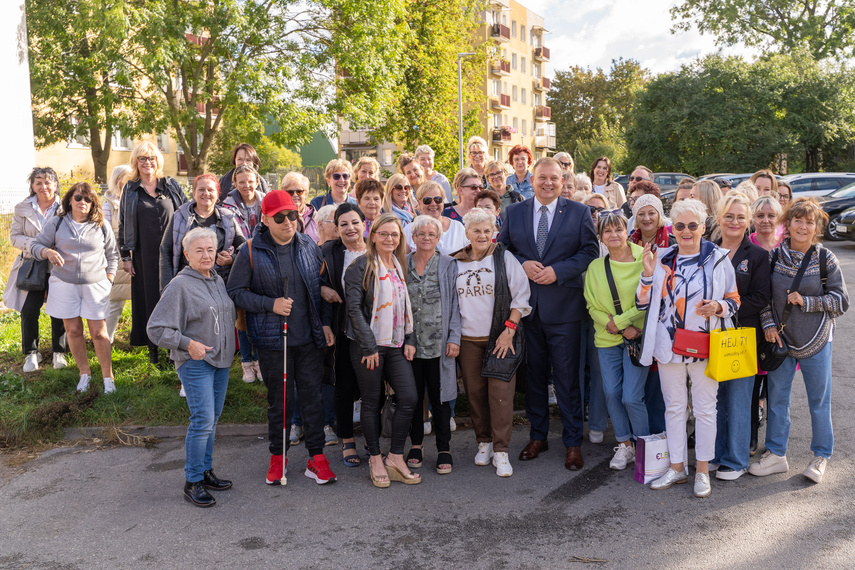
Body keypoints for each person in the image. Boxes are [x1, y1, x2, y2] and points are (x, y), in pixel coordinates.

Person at [227, 190, 337, 486]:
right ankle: (279, 457)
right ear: (265, 219)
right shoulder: (250, 250)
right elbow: (235, 292)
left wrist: (325, 324)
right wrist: (270, 304)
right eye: (280, 217)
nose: (288, 222)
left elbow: (321, 287)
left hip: (309, 338)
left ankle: (317, 457)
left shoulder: (309, 246)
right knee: (281, 402)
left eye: (292, 215)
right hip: (274, 341)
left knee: (313, 399)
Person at [499, 157, 599, 470]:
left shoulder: (579, 212)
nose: (547, 183)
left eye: (554, 178)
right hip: (528, 310)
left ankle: (572, 442)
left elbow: (589, 252)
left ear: (561, 180)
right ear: (533, 179)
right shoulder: (514, 212)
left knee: (568, 380)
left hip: (565, 310)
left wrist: (558, 271)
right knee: (535, 378)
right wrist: (522, 264)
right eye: (542, 177)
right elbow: (501, 249)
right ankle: (538, 436)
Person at [636, 199, 740, 498]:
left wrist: (718, 306)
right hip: (668, 345)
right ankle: (678, 466)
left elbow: (734, 300)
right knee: (675, 408)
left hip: (705, 343)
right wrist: (646, 274)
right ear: (672, 228)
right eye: (679, 226)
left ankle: (703, 470)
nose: (685, 231)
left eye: (692, 226)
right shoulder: (662, 258)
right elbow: (642, 303)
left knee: (706, 409)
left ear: (703, 227)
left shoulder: (719, 259)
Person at [751, 198, 849, 484]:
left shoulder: (824, 258)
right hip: (782, 341)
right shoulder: (773, 257)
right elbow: (765, 298)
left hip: (817, 339)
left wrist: (807, 302)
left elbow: (841, 301)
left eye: (809, 222)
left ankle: (820, 456)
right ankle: (776, 454)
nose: (803, 226)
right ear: (788, 224)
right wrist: (769, 325)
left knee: (819, 402)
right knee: (778, 400)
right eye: (798, 220)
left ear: (816, 227)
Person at [146, 227, 236, 508]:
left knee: (212, 421)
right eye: (199, 250)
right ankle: (193, 481)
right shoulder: (180, 285)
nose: (206, 255)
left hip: (220, 362)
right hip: (196, 362)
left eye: (210, 249)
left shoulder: (216, 280)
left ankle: (206, 472)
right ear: (186, 254)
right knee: (202, 421)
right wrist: (187, 343)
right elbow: (156, 328)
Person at [345, 213, 420, 487]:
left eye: (395, 235)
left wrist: (410, 338)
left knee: (409, 397)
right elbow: (353, 309)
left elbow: (403, 306)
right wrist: (368, 345)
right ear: (373, 235)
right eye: (384, 234)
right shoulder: (360, 267)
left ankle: (395, 456)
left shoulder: (398, 265)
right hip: (369, 346)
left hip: (396, 343)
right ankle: (375, 457)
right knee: (372, 401)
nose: (389, 239)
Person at [454, 208, 531, 476]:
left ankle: (501, 451)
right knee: (475, 395)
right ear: (467, 233)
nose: (482, 235)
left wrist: (509, 330)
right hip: (468, 340)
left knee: (500, 396)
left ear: (494, 232)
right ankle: (483, 443)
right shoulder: (457, 261)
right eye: (476, 230)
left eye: (487, 230)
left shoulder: (504, 257)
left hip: (500, 338)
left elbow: (521, 297)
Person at [31, 183, 119, 394]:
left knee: (99, 333)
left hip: (95, 285)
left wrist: (109, 279)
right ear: (70, 199)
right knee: (73, 330)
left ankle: (108, 378)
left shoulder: (101, 224)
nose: (83, 202)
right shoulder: (57, 222)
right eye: (79, 198)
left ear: (93, 203)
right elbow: (36, 245)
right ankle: (84, 374)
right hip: (63, 284)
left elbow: (113, 254)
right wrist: (47, 253)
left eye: (88, 200)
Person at [712, 192, 771, 481]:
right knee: (715, 399)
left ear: (748, 222)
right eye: (729, 216)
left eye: (740, 217)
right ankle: (717, 454)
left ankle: (735, 461)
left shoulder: (758, 256)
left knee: (738, 399)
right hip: (711, 336)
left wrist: (725, 308)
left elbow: (761, 297)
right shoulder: (708, 250)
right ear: (719, 219)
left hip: (743, 337)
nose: (734, 222)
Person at [584, 211, 649, 470]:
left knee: (632, 397)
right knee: (611, 392)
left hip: (638, 337)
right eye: (607, 231)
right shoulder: (595, 267)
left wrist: (621, 323)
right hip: (607, 338)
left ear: (627, 231)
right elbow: (591, 306)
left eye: (618, 230)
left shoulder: (644, 259)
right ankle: (624, 445)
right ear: (600, 237)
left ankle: (644, 447)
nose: (613, 235)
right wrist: (619, 327)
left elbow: (648, 300)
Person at [118, 142, 187, 366]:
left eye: (151, 158)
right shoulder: (130, 190)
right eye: (142, 158)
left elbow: (187, 211)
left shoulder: (171, 185)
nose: (148, 162)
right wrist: (126, 257)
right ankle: (153, 349)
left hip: (173, 253)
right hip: (144, 255)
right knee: (149, 300)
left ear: (158, 161)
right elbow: (123, 224)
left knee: (172, 297)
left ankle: (173, 348)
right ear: (136, 163)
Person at [405, 215, 462, 475]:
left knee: (440, 399)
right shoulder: (401, 264)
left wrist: (454, 338)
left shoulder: (448, 264)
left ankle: (443, 448)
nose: (426, 238)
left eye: (431, 234)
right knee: (413, 398)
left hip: (439, 345)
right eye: (421, 234)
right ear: (413, 237)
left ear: (438, 238)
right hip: (409, 345)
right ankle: (415, 445)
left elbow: (456, 305)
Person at [4, 167, 68, 372]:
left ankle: (60, 352)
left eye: (48, 182)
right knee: (29, 309)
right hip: (32, 264)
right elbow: (15, 237)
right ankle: (31, 354)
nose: (44, 186)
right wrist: (39, 248)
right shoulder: (23, 208)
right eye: (38, 182)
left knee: (59, 310)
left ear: (56, 185)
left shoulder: (66, 206)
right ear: (32, 185)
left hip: (59, 264)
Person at [319, 203, 367, 466]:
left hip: (374, 331)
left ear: (364, 224)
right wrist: (322, 290)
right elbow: (316, 283)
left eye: (354, 222)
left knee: (374, 389)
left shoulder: (378, 247)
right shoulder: (328, 252)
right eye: (343, 224)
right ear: (336, 229)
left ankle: (372, 441)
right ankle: (348, 441)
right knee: (344, 385)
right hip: (341, 329)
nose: (350, 228)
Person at [159, 175, 244, 292]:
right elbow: (166, 251)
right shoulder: (179, 217)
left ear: (218, 194)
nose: (206, 193)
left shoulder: (228, 217)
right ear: (194, 193)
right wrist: (167, 288)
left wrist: (232, 259)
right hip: (188, 282)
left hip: (221, 283)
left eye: (210, 190)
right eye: (201, 189)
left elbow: (243, 247)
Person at [102, 165, 133, 343]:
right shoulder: (108, 205)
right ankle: (106, 339)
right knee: (115, 301)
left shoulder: (136, 198)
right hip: (118, 258)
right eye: (127, 179)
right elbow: (105, 234)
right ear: (117, 181)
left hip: (138, 256)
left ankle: (143, 338)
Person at [404, 181, 468, 254]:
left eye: (438, 199)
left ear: (443, 201)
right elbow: (403, 261)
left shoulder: (457, 228)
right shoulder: (409, 230)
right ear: (419, 203)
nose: (433, 204)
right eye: (427, 200)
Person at [221, 164, 266, 241]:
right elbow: (228, 236)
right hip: (241, 251)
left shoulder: (267, 203)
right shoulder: (227, 207)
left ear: (257, 182)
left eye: (250, 181)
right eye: (241, 182)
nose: (246, 185)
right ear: (235, 184)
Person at [280, 172, 318, 243]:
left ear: (306, 194)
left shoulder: (316, 218)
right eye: (290, 192)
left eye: (299, 192)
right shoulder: (278, 217)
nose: (295, 195)